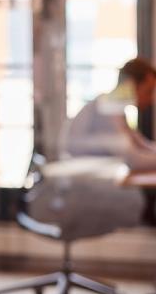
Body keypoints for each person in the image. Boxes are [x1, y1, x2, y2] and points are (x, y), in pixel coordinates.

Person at [65, 58, 156, 224]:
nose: (151, 99)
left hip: (92, 179)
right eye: (148, 91)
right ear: (130, 85)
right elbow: (134, 158)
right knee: (140, 205)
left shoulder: (114, 105)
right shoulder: (108, 108)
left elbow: (139, 143)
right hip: (77, 186)